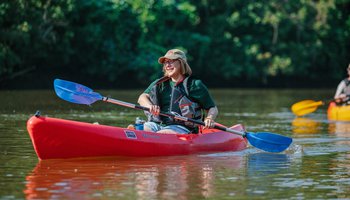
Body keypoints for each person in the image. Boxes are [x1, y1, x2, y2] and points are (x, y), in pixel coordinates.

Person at [137, 49, 218, 134]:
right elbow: (142, 97)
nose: (167, 65)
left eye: (171, 61)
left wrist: (209, 118)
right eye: (165, 62)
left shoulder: (194, 85)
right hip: (156, 124)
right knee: (138, 128)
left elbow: (212, 108)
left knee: (162, 133)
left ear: (181, 63)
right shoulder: (159, 83)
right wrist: (150, 105)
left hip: (182, 128)